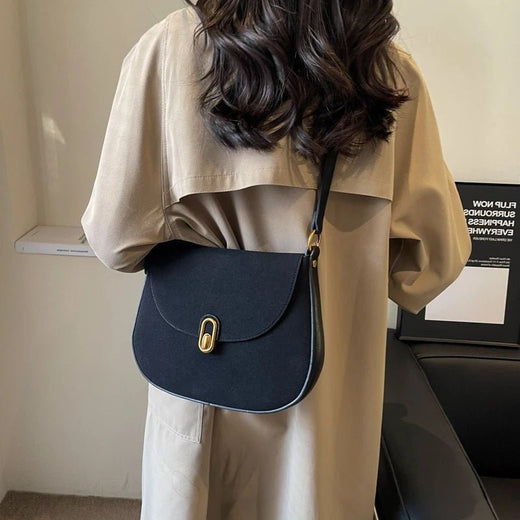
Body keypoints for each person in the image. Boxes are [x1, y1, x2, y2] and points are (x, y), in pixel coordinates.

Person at [81, 1, 471, 519]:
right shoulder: (388, 74)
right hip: (328, 418)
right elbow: (432, 265)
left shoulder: (172, 47)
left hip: (205, 375)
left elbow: (114, 239)